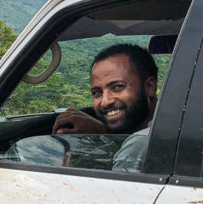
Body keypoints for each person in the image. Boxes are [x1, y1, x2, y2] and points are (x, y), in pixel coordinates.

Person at [52, 43, 158, 172]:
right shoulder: (177, 121)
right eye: (97, 92)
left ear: (150, 87)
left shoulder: (140, 142)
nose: (105, 102)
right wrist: (106, 134)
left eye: (118, 87)